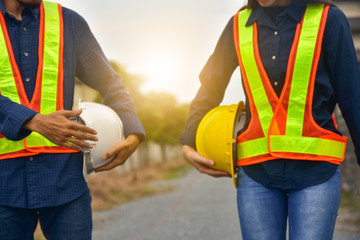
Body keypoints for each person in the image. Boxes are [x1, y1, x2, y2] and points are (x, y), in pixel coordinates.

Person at [180, 0, 360, 239]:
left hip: (316, 172)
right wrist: (189, 141)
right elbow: (210, 86)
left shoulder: (329, 19)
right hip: (257, 174)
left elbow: (352, 94)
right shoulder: (238, 24)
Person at [0, 0, 145, 239]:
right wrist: (33, 121)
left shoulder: (69, 22)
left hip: (65, 181)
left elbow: (111, 84)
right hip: (4, 184)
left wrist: (133, 132)